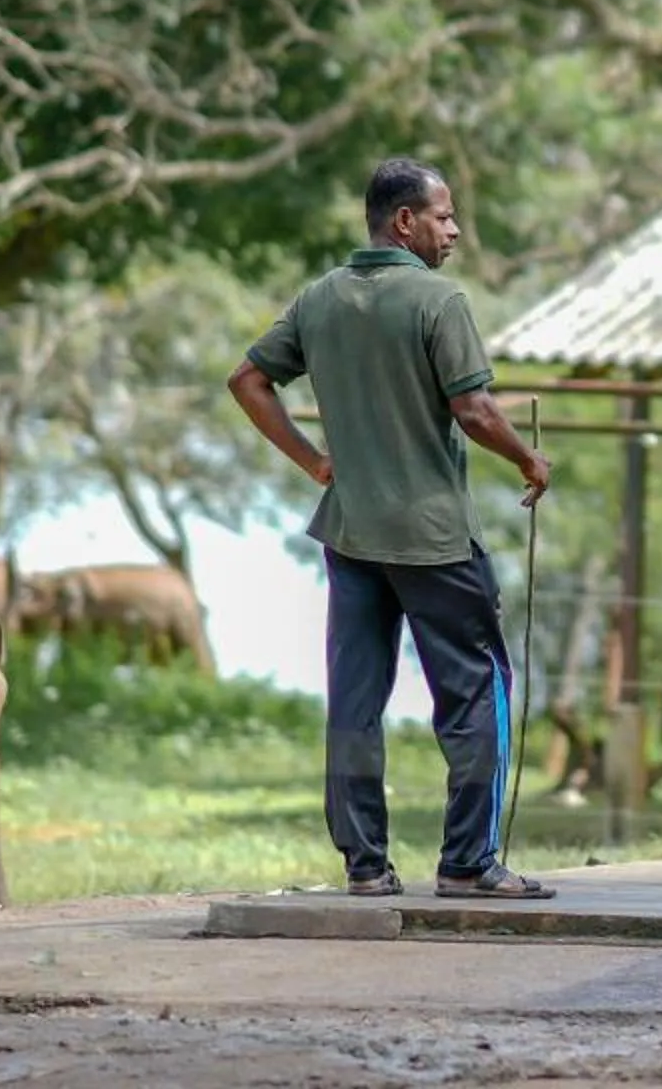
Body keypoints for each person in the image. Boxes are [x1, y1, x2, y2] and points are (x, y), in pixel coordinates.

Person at [226, 157, 555, 899]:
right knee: (477, 692)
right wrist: (528, 459)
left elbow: (247, 381)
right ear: (404, 222)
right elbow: (474, 411)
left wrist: (314, 462)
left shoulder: (319, 298)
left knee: (355, 700)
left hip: (351, 536)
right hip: (435, 539)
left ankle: (366, 866)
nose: (455, 230)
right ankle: (468, 862)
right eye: (444, 216)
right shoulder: (440, 301)